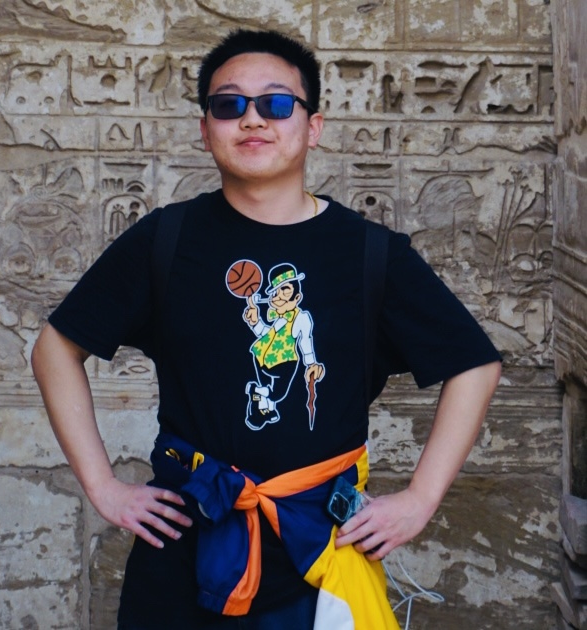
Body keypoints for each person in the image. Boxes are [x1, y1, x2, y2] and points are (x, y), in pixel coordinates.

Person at [31, 28, 502, 629]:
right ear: (206, 130)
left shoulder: (369, 253)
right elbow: (55, 349)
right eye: (229, 104)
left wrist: (419, 499)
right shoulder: (165, 240)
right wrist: (103, 487)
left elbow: (474, 364)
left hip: (317, 550)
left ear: (313, 126)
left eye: (277, 103)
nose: (252, 118)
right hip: (187, 542)